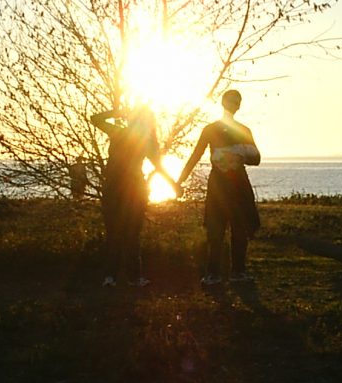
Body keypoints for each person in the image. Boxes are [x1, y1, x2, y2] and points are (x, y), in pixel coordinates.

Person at [177, 89, 261, 285]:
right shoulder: (212, 129)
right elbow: (195, 156)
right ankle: (214, 273)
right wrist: (179, 181)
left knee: (239, 229)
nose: (234, 104)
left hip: (236, 183)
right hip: (220, 184)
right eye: (232, 100)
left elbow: (256, 158)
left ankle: (237, 272)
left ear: (239, 105)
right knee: (216, 230)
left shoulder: (243, 130)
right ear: (224, 103)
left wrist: (238, 154)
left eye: (237, 101)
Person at [90, 105, 180, 286]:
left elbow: (95, 119)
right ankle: (130, 277)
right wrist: (173, 185)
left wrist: (117, 113)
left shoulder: (119, 133)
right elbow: (158, 166)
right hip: (129, 190)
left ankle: (113, 277)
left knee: (117, 233)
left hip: (117, 189)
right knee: (130, 234)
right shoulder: (143, 140)